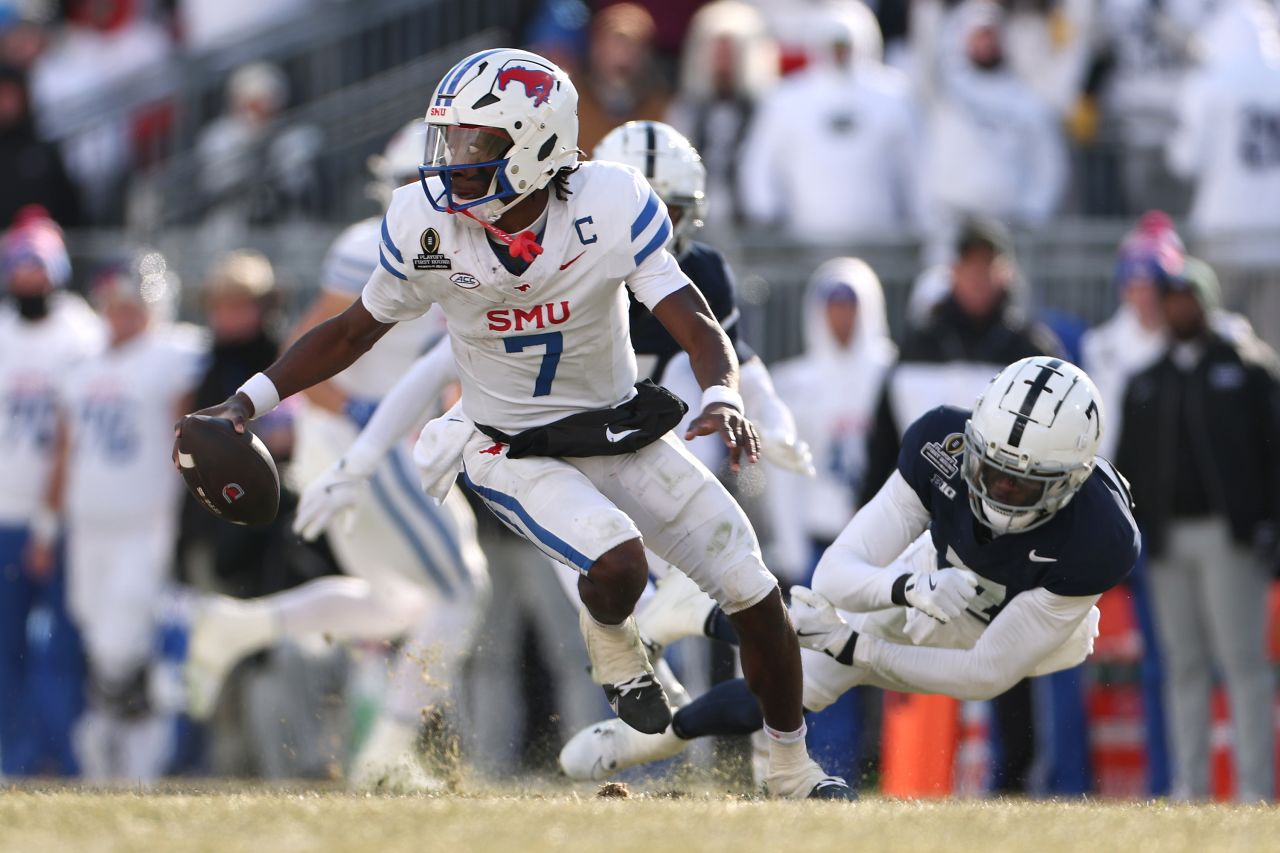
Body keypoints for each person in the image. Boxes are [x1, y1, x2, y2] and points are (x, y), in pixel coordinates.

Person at [179, 48, 850, 799]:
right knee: (619, 563)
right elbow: (350, 332)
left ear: (536, 146)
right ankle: (611, 637)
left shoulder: (607, 202)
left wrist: (722, 390)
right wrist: (247, 401)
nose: (455, 162)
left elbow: (691, 315)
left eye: (479, 145)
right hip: (513, 448)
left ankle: (791, 771)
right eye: (452, 141)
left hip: (619, 428)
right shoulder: (427, 225)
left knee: (755, 592)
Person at [560, 357, 1137, 785]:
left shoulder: (1100, 538)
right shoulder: (942, 440)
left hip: (1020, 627)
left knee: (1070, 644)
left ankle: (698, 614)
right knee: (791, 686)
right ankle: (654, 735)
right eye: (991, 471)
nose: (1002, 494)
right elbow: (837, 574)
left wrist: (853, 648)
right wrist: (910, 586)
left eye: (1023, 484)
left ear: (1070, 480)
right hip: (931, 581)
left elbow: (985, 673)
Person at [184, 122, 490, 791]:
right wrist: (365, 414)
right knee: (462, 587)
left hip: (376, 442)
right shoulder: (375, 241)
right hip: (360, 447)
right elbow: (314, 347)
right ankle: (387, 749)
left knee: (400, 601)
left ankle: (242, 624)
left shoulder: (450, 243)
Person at [33, 255, 207, 781]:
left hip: (145, 522)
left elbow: (190, 435)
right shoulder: (82, 368)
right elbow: (64, 450)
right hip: (89, 526)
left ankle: (136, 757)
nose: (123, 314)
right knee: (96, 637)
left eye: (134, 304)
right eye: (116, 305)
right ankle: (111, 760)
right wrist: (46, 526)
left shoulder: (174, 355)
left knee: (121, 643)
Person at [1115, 257, 1279, 802]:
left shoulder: (1249, 370)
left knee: (1243, 665)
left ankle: (1255, 790)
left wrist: (1267, 529)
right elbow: (1124, 472)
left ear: (1207, 303)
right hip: (1167, 544)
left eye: (1190, 296)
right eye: (1172, 296)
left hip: (1228, 539)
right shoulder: (1146, 382)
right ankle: (1192, 786)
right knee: (1182, 666)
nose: (1181, 306)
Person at [0, 209, 102, 777]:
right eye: (17, 266)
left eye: (36, 266)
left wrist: (48, 518)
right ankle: (14, 760)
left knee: (65, 645)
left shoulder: (82, 334)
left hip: (65, 519)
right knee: (5, 649)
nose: (26, 277)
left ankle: (64, 757)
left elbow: (73, 435)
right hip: (4, 516)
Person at [737, 6, 922, 244]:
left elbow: (916, 166)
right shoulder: (786, 99)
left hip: (881, 242)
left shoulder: (894, 96)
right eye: (832, 45)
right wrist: (766, 216)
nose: (838, 53)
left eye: (843, 45)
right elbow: (758, 165)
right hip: (802, 246)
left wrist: (920, 222)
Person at [1166, 0, 1280, 351]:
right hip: (1275, 233)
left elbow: (1184, 160)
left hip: (1222, 228)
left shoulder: (1210, 83)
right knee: (1273, 344)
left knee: (1217, 341)